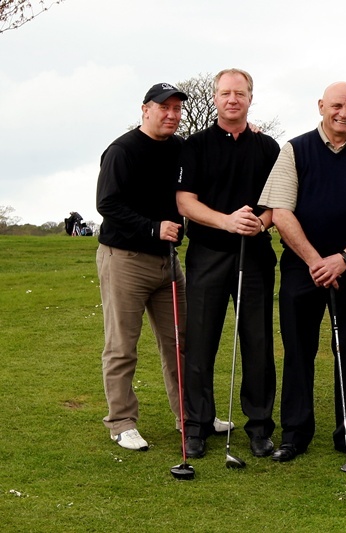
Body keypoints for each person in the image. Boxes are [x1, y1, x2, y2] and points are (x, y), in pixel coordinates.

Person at [259, 82, 346, 463]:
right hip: (303, 270)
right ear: (321, 106)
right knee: (298, 351)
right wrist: (317, 261)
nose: (343, 114)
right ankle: (294, 435)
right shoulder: (295, 150)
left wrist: (343, 260)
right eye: (336, 106)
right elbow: (281, 212)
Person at [176, 68, 280, 459]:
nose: (232, 99)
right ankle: (198, 426)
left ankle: (259, 426)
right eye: (225, 93)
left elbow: (278, 203)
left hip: (253, 257)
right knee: (200, 343)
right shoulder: (196, 145)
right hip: (207, 255)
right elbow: (185, 202)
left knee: (257, 342)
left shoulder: (268, 147)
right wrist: (226, 221)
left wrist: (257, 224)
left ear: (250, 98)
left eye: (240, 93)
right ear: (216, 98)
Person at [96, 82, 188, 451]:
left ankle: (189, 415)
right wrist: (152, 228)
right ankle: (121, 421)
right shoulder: (122, 150)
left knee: (181, 343)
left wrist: (249, 130)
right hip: (126, 259)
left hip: (168, 262)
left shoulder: (181, 148)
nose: (171, 115)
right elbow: (107, 203)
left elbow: (214, 152)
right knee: (122, 345)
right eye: (163, 107)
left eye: (177, 109)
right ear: (145, 109)